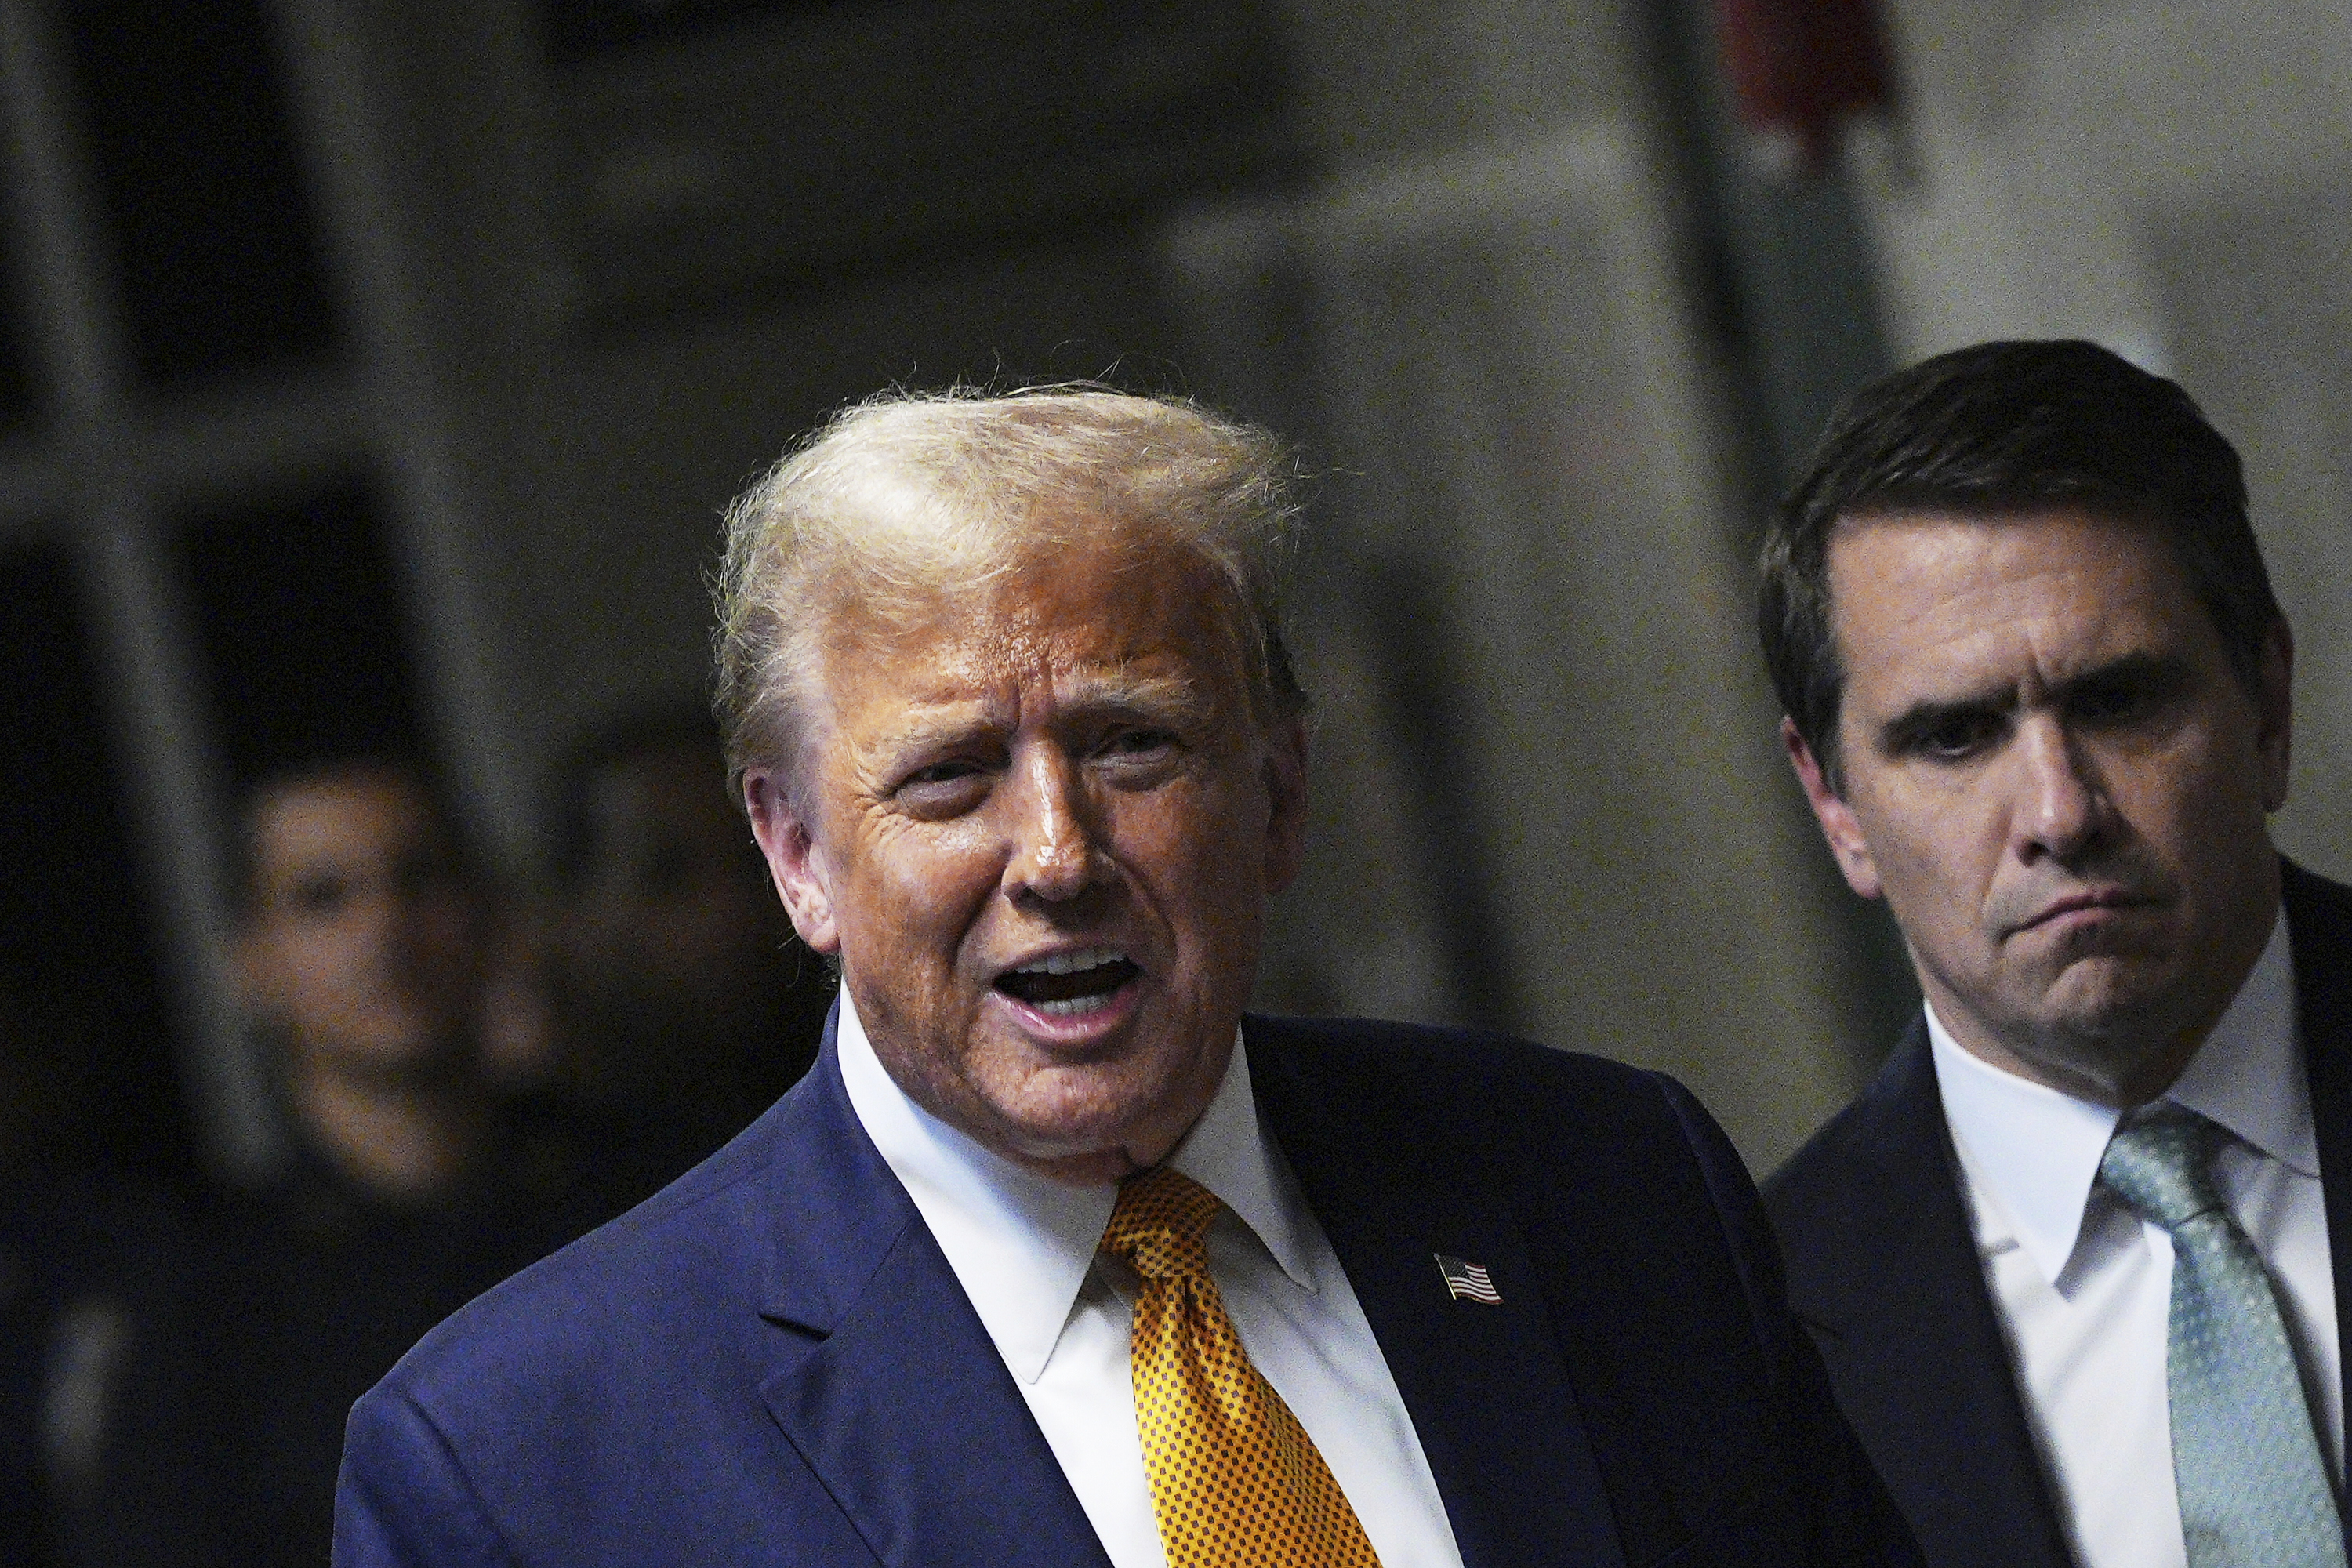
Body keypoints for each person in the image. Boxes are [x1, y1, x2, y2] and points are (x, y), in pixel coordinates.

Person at [334, 387, 1919, 1567]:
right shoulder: (529, 1463)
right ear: (800, 855)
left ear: (1282, 795)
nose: (1057, 850)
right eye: (951, 777)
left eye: (1132, 743)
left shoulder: (1608, 1190)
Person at [1759, 340, 2351, 1568]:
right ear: (1833, 806)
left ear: (2270, 707)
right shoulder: (1748, 1335)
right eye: (1957, 736)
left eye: (2120, 700)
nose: (2058, 812)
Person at [103, 755, 615, 1568]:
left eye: (419, 877)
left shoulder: (647, 1190)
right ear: (252, 961)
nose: (384, 928)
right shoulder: (202, 1306)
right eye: (322, 897)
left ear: (485, 911)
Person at [528, 704, 832, 1199]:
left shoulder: (874, 1121)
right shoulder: (537, 1176)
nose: (726, 910)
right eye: (668, 876)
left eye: (748, 863)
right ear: (570, 914)